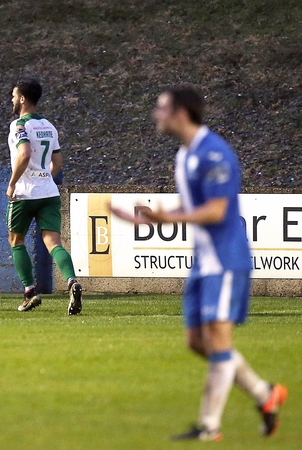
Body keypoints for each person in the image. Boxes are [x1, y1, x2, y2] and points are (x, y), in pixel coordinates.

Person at [111, 86, 288, 441]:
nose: (156, 115)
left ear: (181, 113)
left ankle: (210, 426)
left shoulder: (214, 153)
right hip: (203, 262)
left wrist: (166, 219)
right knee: (196, 341)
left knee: (219, 340)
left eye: (161, 108)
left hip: (225, 259)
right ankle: (264, 394)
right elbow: (193, 206)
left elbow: (218, 210)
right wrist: (154, 217)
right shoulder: (184, 154)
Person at [6, 78, 82, 315]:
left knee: (16, 241)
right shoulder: (49, 126)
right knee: (53, 242)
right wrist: (44, 178)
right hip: (49, 191)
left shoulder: (19, 125)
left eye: (13, 95)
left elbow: (24, 153)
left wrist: (12, 184)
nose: (11, 99)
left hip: (25, 193)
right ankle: (72, 281)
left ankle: (30, 292)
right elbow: (57, 162)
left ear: (22, 99)